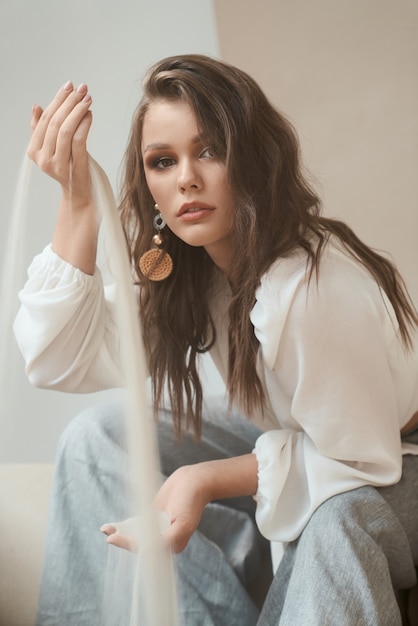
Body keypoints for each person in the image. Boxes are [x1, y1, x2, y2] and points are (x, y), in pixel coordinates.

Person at [13, 54, 418, 625]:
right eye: (162, 161)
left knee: (334, 518)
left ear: (252, 158)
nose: (186, 179)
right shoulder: (189, 273)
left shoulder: (307, 287)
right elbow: (56, 362)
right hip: (296, 430)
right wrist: (78, 205)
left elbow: (362, 456)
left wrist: (202, 479)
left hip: (393, 458)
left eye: (209, 150)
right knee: (96, 438)